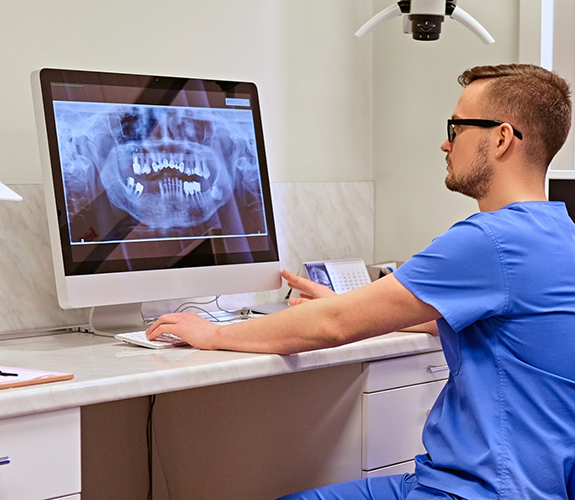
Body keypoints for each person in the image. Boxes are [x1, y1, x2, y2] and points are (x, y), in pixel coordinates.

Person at [146, 64, 575, 499]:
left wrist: (215, 333)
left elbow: (334, 326)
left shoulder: (488, 242)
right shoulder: (560, 234)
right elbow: (487, 324)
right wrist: (350, 301)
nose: (445, 142)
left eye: (457, 127)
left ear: (501, 138)